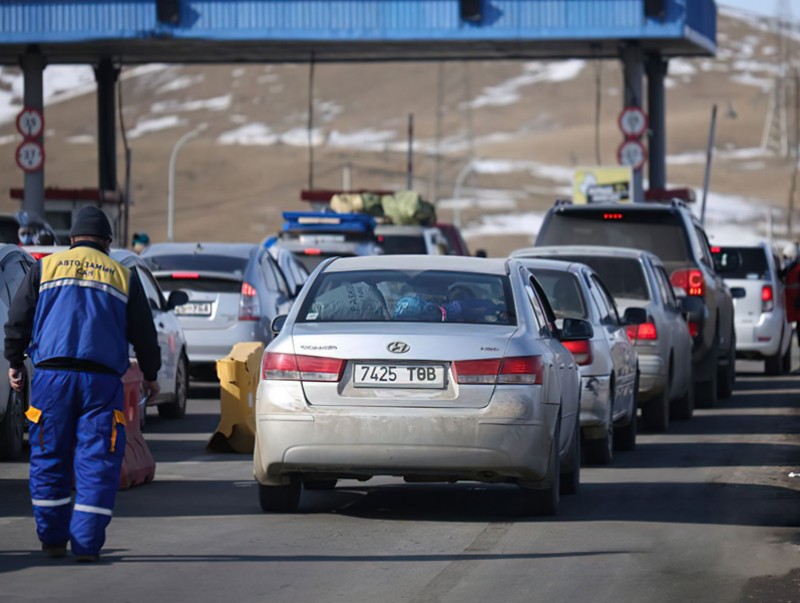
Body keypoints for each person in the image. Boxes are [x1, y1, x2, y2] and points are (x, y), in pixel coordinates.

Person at [4, 206, 161, 562]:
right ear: (106, 242)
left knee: (48, 456)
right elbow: (144, 334)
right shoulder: (123, 276)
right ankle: (87, 545)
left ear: (71, 240)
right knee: (98, 461)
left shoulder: (44, 267)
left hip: (49, 380)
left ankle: (52, 539)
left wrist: (15, 363)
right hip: (101, 384)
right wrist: (151, 376)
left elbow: (18, 320)